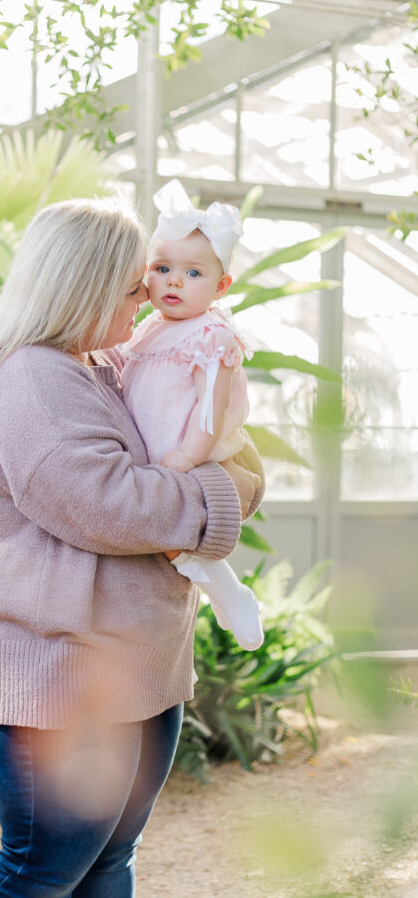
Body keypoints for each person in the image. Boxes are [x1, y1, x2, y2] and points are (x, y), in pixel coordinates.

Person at [0, 196, 264, 898]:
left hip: (128, 661)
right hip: (61, 671)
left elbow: (214, 446)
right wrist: (225, 492)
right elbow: (109, 506)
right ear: (80, 287)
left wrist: (222, 464)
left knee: (107, 858)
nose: (146, 296)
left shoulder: (96, 364)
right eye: (130, 284)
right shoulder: (27, 382)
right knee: (39, 868)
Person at [120, 180, 264, 652]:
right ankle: (224, 592)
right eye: (162, 269)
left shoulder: (211, 335)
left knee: (169, 534)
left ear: (221, 286)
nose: (174, 281)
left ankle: (228, 593)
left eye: (193, 273)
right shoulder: (147, 329)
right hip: (151, 455)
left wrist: (186, 458)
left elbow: (211, 407)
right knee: (157, 538)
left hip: (187, 454)